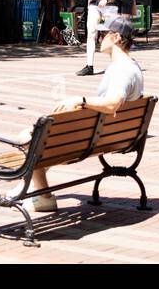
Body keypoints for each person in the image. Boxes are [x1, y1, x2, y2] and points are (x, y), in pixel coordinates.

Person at [27, 17, 142, 213]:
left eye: (103, 34)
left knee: (30, 139)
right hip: (112, 135)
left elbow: (113, 103)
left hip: (93, 139)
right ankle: (32, 189)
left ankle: (44, 197)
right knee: (44, 139)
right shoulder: (133, 66)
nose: (99, 38)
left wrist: (81, 100)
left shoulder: (121, 70)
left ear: (115, 38)